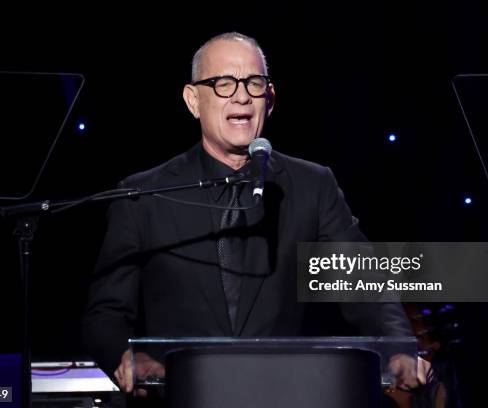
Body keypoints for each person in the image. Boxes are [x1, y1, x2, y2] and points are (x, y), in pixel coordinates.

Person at [82, 32, 418, 397]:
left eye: (254, 83)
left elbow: (365, 287)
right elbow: (106, 313)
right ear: (193, 100)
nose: (241, 95)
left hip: (285, 396)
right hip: (179, 397)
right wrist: (127, 356)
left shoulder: (312, 185)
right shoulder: (142, 194)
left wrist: (400, 349)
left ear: (269, 99)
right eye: (223, 83)